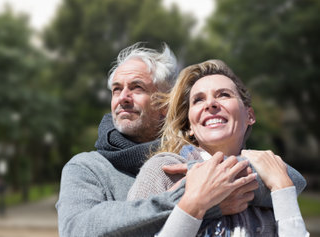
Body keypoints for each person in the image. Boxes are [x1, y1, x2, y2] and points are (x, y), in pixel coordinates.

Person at [56, 43, 282, 237]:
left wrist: (211, 181)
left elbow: (290, 179)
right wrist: (200, 200)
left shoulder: (195, 155)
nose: (123, 98)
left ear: (165, 104)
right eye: (116, 90)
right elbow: (77, 229)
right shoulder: (86, 167)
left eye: (137, 88)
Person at [127, 59, 308, 236]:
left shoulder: (271, 175)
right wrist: (194, 206)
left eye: (224, 95)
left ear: (250, 115)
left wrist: (283, 187)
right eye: (198, 100)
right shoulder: (163, 171)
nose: (211, 104)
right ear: (189, 126)